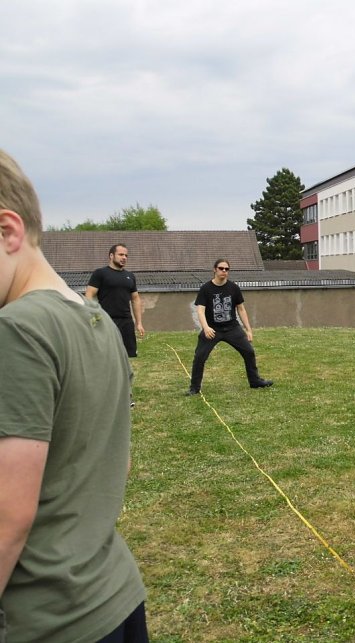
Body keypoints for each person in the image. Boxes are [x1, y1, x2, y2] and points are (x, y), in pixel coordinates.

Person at [0, 149, 149, 642]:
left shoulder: (17, 330)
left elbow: (8, 514)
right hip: (115, 598)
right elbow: (116, 464)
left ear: (8, 231)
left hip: (50, 621)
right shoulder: (97, 322)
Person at [187, 258, 273, 395]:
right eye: (221, 268)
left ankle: (255, 381)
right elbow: (200, 310)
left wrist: (248, 330)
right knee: (199, 357)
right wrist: (206, 327)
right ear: (215, 269)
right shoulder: (206, 289)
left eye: (227, 269)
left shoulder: (233, 288)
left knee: (249, 352)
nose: (224, 271)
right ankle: (194, 388)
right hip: (212, 330)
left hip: (232, 328)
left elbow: (241, 309)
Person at [86, 244, 145, 358]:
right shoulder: (100, 273)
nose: (124, 257)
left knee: (129, 357)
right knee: (106, 356)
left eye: (126, 255)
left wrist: (139, 323)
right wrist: (92, 316)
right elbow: (89, 295)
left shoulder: (130, 276)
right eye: (121, 254)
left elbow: (135, 299)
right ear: (111, 256)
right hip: (106, 320)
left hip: (126, 322)